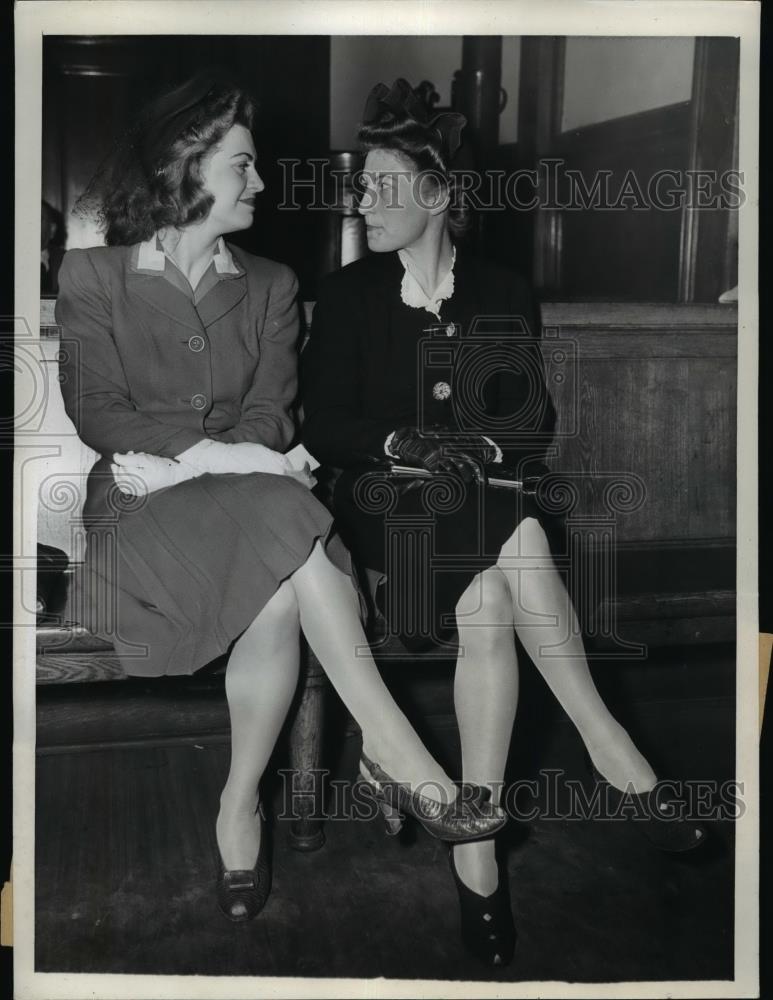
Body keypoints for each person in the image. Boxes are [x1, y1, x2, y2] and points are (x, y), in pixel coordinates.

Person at [55, 70, 506, 926]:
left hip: (252, 504)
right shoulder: (94, 278)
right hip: (141, 514)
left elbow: (268, 419)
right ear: (186, 166)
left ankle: (240, 804)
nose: (261, 183)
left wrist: (215, 462)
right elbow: (98, 414)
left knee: (275, 578)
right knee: (291, 515)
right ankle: (401, 755)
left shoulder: (267, 285)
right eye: (243, 165)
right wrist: (212, 465)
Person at [300, 78, 708, 967]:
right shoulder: (350, 294)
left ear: (439, 194)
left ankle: (477, 860)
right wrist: (407, 442)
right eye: (360, 187)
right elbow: (324, 424)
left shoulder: (499, 290)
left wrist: (474, 453)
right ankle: (612, 748)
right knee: (512, 532)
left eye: (384, 186)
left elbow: (525, 424)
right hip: (385, 516)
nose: (363, 201)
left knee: (491, 592)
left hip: (478, 508)